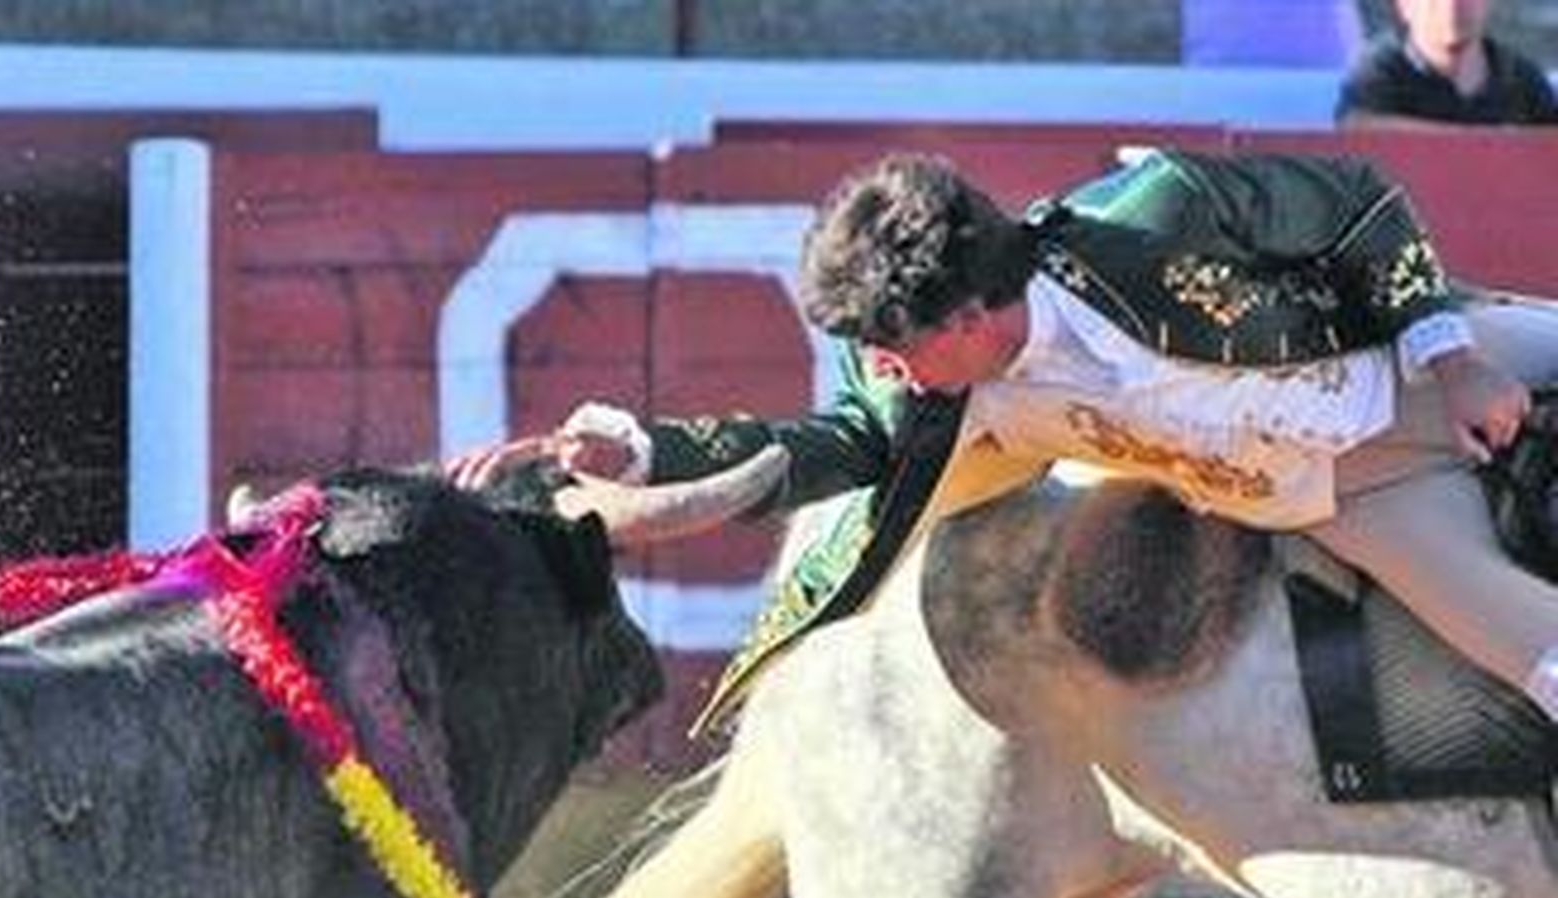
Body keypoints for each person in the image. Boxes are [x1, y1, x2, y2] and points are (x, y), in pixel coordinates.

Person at [451, 147, 1558, 728]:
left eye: (893, 349)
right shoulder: (938, 387)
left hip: (1420, 367)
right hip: (1342, 498)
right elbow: (822, 445)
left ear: (971, 319)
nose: (880, 372)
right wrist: (637, 451)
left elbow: (1360, 205)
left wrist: (1454, 360)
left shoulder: (1153, 213)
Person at [1337, 0, 1558, 126]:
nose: (1452, 7)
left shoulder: (1521, 78)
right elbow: (1359, 128)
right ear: (1404, 6)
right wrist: (1489, 144)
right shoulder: (1379, 70)